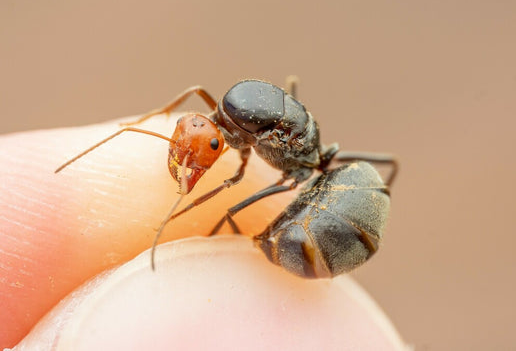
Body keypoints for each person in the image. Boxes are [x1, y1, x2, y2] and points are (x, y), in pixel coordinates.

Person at [1, 117, 407, 350]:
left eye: (210, 146)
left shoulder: (281, 144)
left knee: (232, 206)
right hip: (340, 199)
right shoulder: (257, 129)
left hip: (343, 219)